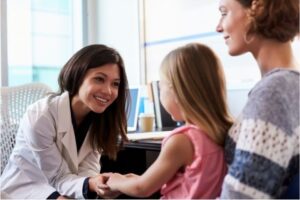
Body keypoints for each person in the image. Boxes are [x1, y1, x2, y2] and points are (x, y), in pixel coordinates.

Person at [0, 44, 129, 199]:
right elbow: (57, 177)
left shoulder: (98, 118)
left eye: (115, 83)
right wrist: (90, 184)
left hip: (63, 185)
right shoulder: (41, 116)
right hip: (24, 188)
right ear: (78, 76)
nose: (108, 91)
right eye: (99, 79)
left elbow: (87, 169)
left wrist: (96, 183)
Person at [106, 43, 233, 199]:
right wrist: (134, 179)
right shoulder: (223, 131)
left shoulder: (182, 140)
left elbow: (142, 188)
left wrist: (116, 180)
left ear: (177, 91)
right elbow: (189, 181)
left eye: (162, 87)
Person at [216, 0, 299, 198]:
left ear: (257, 9)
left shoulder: (273, 92)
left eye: (224, 12)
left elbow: (241, 196)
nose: (218, 27)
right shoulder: (290, 84)